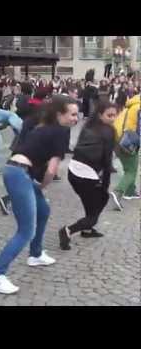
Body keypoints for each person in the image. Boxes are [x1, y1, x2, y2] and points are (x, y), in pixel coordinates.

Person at [0, 95, 79, 294]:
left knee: (43, 210)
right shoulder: (61, 132)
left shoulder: (42, 126)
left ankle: (35, 255)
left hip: (16, 170)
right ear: (60, 114)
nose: (75, 119)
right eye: (72, 114)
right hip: (19, 174)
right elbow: (52, 171)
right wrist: (42, 186)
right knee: (26, 230)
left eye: (76, 115)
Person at [59, 101, 117, 250]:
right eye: (109, 115)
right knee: (99, 202)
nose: (113, 118)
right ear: (100, 115)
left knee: (90, 201)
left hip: (73, 172)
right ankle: (69, 230)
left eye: (115, 115)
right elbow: (106, 159)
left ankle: (87, 230)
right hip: (86, 175)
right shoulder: (108, 131)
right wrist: (105, 184)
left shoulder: (89, 126)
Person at [110, 92, 140, 210]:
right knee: (131, 171)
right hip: (128, 142)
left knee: (130, 167)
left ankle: (130, 192)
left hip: (117, 139)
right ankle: (118, 192)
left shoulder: (132, 105)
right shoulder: (139, 108)